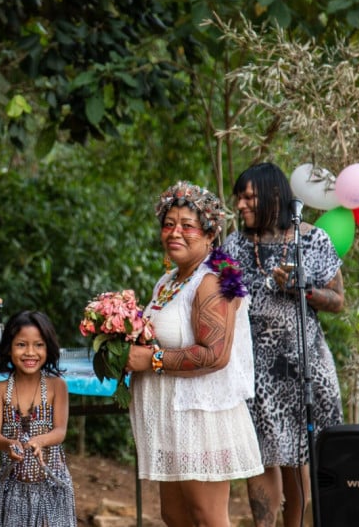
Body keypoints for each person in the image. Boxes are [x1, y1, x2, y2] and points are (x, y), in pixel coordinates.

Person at [126, 180, 264, 527]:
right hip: (170, 416)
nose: (175, 232)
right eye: (169, 224)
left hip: (200, 415)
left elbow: (215, 354)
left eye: (187, 225)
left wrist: (151, 360)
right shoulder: (169, 281)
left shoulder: (214, 281)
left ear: (208, 235)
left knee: (207, 518)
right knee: (174, 516)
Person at [223, 162, 344, 527]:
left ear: (273, 195)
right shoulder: (234, 243)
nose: (241, 206)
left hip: (301, 364)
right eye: (238, 199)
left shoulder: (311, 239)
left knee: (296, 453)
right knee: (259, 451)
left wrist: (302, 289)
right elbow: (221, 299)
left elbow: (338, 300)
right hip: (252, 365)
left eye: (248, 197)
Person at [0, 310, 77, 527]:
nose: (30, 352)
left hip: (52, 486)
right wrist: (8, 443)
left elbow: (60, 431)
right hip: (12, 488)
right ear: (8, 348)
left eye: (38, 345)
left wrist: (39, 441)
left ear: (49, 348)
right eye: (21, 345)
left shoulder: (57, 386)